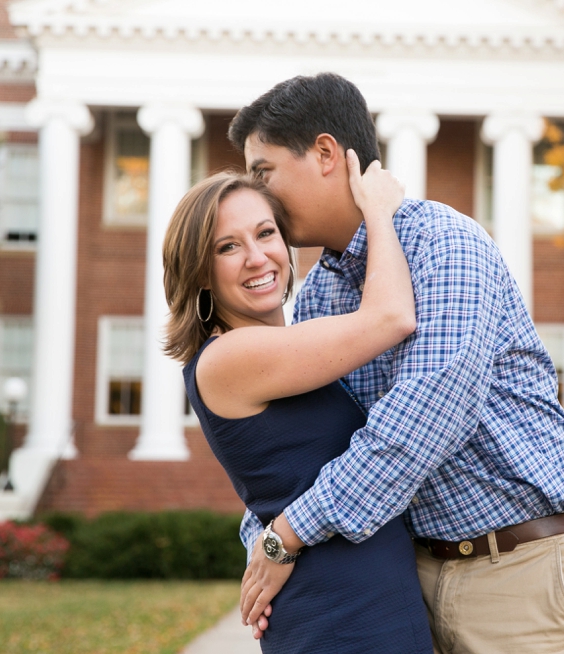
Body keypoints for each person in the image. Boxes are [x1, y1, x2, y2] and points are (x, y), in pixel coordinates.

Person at [232, 72, 564, 654]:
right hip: (411, 576)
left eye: (264, 172)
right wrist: (262, 538)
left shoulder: (445, 243)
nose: (258, 196)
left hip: (521, 567)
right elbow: (301, 443)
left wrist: (287, 535)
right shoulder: (319, 295)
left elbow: (428, 414)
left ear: (326, 153)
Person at [162, 160, 434, 653]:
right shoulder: (230, 356)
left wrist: (270, 540)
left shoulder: (275, 348)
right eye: (228, 247)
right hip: (338, 620)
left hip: (371, 605)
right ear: (200, 273)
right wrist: (377, 209)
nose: (256, 257)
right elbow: (392, 316)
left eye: (265, 233)